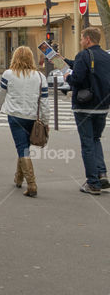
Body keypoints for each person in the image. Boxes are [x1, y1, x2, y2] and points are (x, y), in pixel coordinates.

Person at [60, 26, 110, 195]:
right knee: (96, 139)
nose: (81, 41)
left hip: (84, 106)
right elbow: (87, 68)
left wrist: (68, 77)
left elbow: (78, 78)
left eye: (81, 38)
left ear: (88, 39)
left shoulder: (83, 55)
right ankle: (102, 175)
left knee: (87, 143)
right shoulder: (106, 56)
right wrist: (64, 60)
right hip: (102, 107)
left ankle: (93, 183)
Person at [0, 45, 49, 197]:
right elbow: (44, 102)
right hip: (33, 117)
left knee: (22, 148)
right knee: (23, 146)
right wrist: (46, 122)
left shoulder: (8, 74)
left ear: (15, 57)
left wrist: (1, 106)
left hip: (15, 116)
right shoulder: (40, 77)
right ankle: (18, 178)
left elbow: (1, 94)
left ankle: (31, 184)